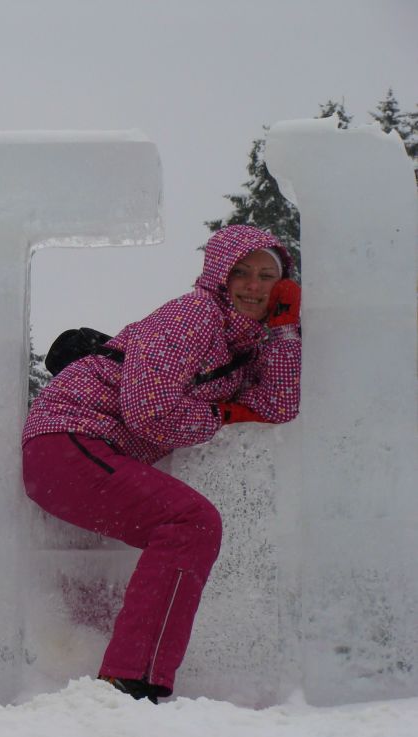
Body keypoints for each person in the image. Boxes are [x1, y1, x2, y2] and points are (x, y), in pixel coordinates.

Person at [22, 224, 301, 703]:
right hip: (66, 440)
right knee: (190, 521)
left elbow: (278, 404)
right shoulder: (192, 316)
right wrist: (219, 413)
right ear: (219, 274)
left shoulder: (247, 344)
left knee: (186, 527)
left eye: (267, 275)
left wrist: (283, 331)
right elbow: (150, 412)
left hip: (93, 452)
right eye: (242, 272)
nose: (255, 286)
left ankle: (136, 678)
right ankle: (130, 679)